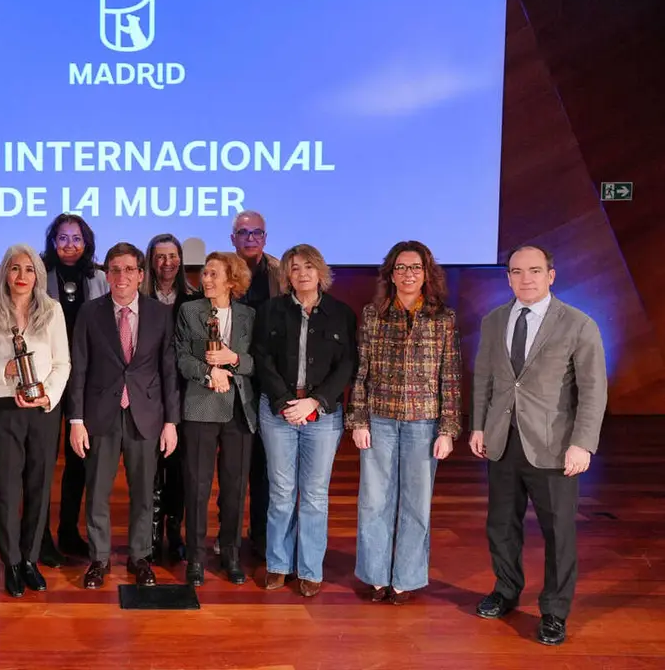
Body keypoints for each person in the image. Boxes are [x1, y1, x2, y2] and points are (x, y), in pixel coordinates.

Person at [470, 245, 606, 646]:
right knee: (501, 526)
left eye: (534, 270)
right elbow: (485, 380)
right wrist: (478, 426)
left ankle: (554, 611)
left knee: (558, 532)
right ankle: (506, 591)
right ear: (508, 277)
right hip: (502, 442)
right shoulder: (494, 321)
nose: (525, 278)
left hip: (554, 446)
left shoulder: (579, 324)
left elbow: (593, 391)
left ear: (551, 274)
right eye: (516, 271)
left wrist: (583, 444)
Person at [347, 240, 462, 605]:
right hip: (379, 418)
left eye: (415, 268)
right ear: (390, 274)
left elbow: (451, 376)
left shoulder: (443, 317)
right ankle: (376, 576)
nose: (408, 274)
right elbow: (361, 370)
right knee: (374, 501)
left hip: (423, 422)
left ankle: (405, 580)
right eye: (401, 267)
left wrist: (448, 429)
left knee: (416, 503)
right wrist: (358, 419)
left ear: (426, 274)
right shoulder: (373, 313)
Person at [69, 242, 180, 589]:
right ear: (107, 274)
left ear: (140, 274)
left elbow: (169, 371)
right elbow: (79, 369)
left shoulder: (159, 314)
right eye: (114, 269)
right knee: (97, 491)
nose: (121, 276)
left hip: (146, 415)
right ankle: (99, 560)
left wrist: (171, 422)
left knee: (144, 493)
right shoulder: (90, 312)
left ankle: (140, 557)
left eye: (129, 269)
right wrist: (75, 420)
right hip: (99, 416)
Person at [252, 245, 357, 597]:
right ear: (287, 275)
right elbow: (262, 360)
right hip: (279, 410)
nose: (302, 273)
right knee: (281, 492)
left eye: (308, 267)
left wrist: (316, 401)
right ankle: (278, 564)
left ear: (320, 271)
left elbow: (347, 365)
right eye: (294, 268)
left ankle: (310, 568)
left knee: (314, 495)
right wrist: (286, 402)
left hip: (322, 414)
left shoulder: (341, 313)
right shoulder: (270, 311)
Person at [0, 244, 71, 597]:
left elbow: (63, 363)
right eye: (15, 269)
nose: (22, 276)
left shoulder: (53, 311)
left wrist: (49, 394)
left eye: (29, 270)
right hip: (3, 412)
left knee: (39, 486)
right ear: (5, 274)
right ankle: (11, 563)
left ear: (38, 276)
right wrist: (5, 369)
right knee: (6, 490)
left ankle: (31, 559)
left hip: (43, 411)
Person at [173, 251, 257, 586]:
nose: (205, 279)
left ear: (231, 280)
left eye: (212, 274)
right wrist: (210, 372)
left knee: (235, 487)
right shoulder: (188, 311)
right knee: (197, 486)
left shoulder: (249, 315)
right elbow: (181, 356)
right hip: (201, 406)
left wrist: (233, 360)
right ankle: (195, 557)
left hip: (238, 410)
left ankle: (231, 553)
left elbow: (256, 361)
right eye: (204, 274)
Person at [41, 213, 110, 564]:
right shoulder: (38, 275)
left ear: (87, 243)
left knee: (79, 460)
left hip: (88, 380)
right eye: (63, 238)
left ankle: (68, 531)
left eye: (76, 238)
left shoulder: (100, 278)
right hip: (47, 378)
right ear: (53, 242)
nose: (70, 245)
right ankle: (38, 536)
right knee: (42, 460)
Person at [230, 210, 283, 555]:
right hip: (230, 378)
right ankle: (229, 537)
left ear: (266, 237)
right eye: (244, 233)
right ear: (232, 238)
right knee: (233, 463)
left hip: (269, 378)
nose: (251, 238)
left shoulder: (281, 272)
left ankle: (263, 535)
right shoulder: (221, 269)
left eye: (257, 233)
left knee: (266, 465)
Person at [142, 233, 196, 563]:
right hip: (147, 395)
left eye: (173, 256)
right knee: (149, 469)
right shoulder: (139, 297)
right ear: (150, 261)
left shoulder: (193, 299)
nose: (167, 263)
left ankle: (175, 532)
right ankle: (148, 537)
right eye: (160, 257)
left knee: (178, 470)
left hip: (184, 395)